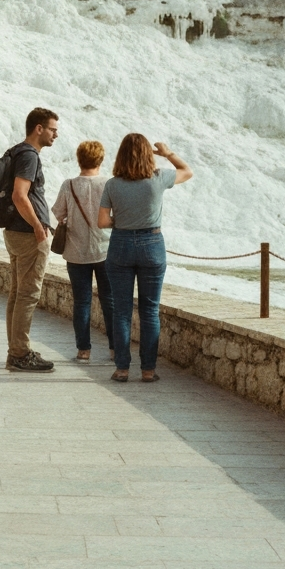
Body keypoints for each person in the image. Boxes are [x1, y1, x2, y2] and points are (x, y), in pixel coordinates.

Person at [97, 134, 193, 383]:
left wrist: (124, 222)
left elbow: (102, 221)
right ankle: (148, 370)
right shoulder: (158, 178)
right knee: (150, 310)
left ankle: (122, 369)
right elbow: (187, 171)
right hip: (152, 244)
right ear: (148, 155)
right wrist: (167, 152)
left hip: (120, 245)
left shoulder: (112, 184)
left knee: (121, 311)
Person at [2, 107, 59, 372]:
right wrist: (38, 226)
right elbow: (19, 195)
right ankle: (20, 353)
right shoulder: (29, 156)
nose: (55, 135)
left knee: (16, 294)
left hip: (14, 231)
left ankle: (16, 350)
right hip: (27, 234)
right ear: (39, 128)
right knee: (27, 294)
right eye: (52, 129)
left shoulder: (16, 151)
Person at [51, 141, 115, 362]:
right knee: (110, 300)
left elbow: (59, 213)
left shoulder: (68, 185)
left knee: (81, 301)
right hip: (106, 251)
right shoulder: (109, 184)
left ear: (79, 159)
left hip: (76, 252)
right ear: (100, 159)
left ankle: (83, 350)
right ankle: (115, 348)